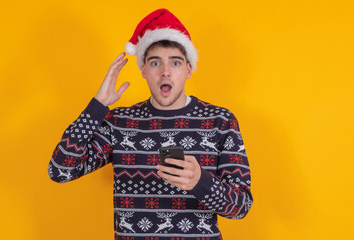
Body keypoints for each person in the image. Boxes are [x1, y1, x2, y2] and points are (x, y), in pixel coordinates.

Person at [48, 8, 253, 240]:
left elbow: (241, 207)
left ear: (189, 69)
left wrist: (200, 182)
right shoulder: (119, 122)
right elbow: (60, 170)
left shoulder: (221, 122)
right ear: (143, 70)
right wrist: (98, 106)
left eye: (175, 63)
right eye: (155, 63)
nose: (165, 72)